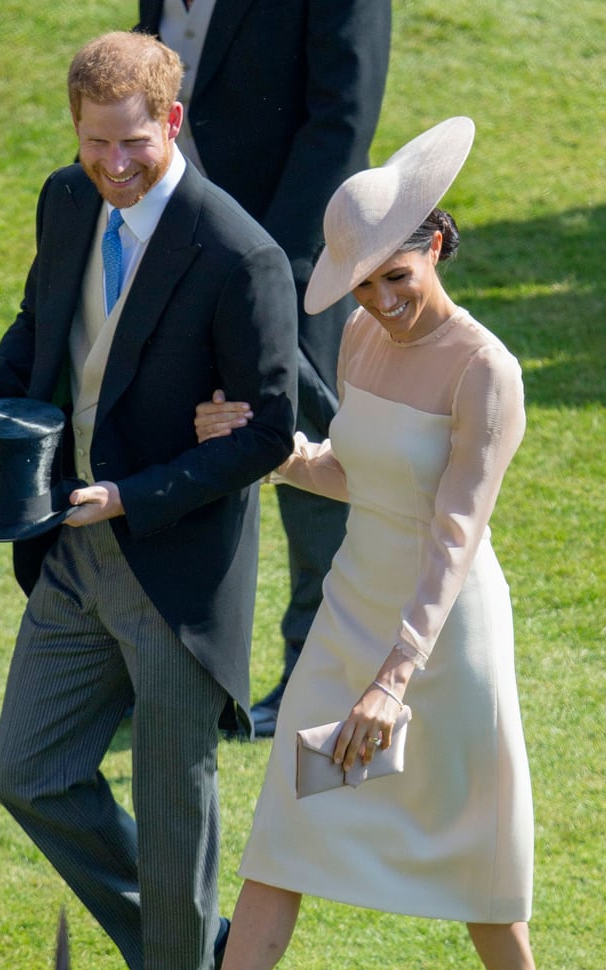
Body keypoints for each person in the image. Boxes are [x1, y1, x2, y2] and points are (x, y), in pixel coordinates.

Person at [102, 117, 583, 970]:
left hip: (440, 639)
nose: (379, 302)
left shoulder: (486, 372)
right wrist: (270, 454)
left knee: (476, 867)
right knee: (283, 841)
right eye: (363, 286)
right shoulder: (365, 337)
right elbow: (358, 471)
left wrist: (394, 684)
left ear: (437, 244)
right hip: (349, 614)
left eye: (397, 277)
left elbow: (452, 536)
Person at [0, 30, 297, 970]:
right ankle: (197, 957)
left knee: (175, 810)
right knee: (30, 771)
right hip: (73, 552)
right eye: (95, 145)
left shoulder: (241, 256)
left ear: (171, 123)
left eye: (131, 144)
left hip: (176, 573)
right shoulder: (64, 198)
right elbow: (39, 326)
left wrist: (138, 492)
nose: (113, 165)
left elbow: (271, 431)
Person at [137, 0, 392, 735]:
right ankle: (176, 666)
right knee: (187, 442)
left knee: (311, 468)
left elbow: (343, 118)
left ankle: (322, 673)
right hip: (183, 250)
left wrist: (276, 269)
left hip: (296, 266)